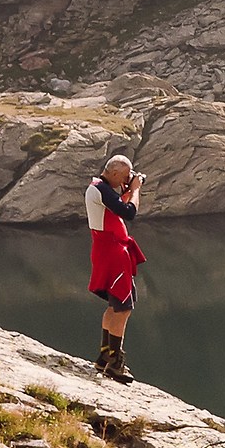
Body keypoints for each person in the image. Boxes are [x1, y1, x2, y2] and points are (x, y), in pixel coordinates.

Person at [87, 154, 146, 382]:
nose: (126, 180)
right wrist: (136, 190)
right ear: (113, 173)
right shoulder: (101, 190)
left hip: (107, 251)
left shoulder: (98, 188)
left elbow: (116, 205)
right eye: (124, 176)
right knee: (123, 308)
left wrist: (127, 190)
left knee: (114, 306)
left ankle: (105, 356)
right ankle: (115, 363)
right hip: (113, 253)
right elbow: (129, 212)